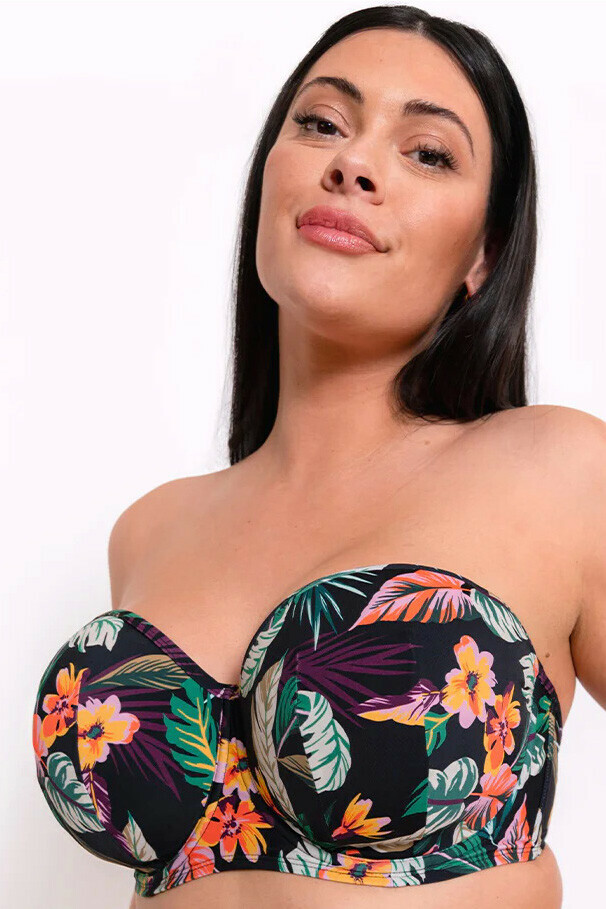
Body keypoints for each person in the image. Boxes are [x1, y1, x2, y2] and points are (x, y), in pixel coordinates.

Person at [32, 6, 606, 909]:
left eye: (428, 153)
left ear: (485, 254)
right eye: (322, 123)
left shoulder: (561, 470)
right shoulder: (151, 529)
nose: (353, 163)